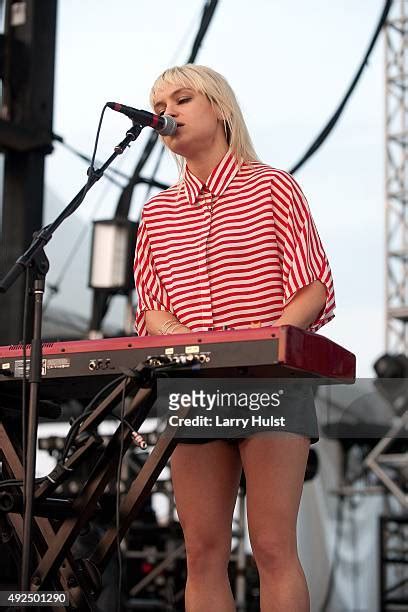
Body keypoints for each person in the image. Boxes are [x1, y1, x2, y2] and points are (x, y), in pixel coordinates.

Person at [134, 64, 335, 612]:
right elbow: (151, 310)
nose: (167, 111)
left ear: (220, 108)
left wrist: (257, 342)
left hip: (271, 380)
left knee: (272, 546)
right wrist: (194, 342)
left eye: (182, 98)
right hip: (197, 387)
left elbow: (314, 286)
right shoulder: (157, 212)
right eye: (159, 104)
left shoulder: (272, 186)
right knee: (201, 553)